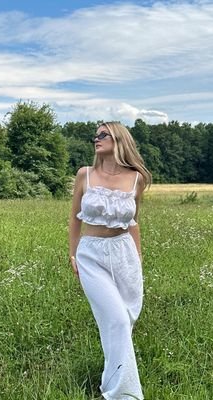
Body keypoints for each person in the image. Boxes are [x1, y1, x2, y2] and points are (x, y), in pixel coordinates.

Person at [68, 121, 152, 400]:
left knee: (124, 319)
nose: (96, 138)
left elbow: (133, 221)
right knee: (115, 318)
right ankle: (124, 394)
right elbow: (74, 218)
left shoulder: (137, 178)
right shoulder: (85, 175)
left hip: (124, 252)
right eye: (96, 135)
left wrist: (138, 258)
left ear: (119, 139)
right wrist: (72, 253)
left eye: (103, 134)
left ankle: (110, 378)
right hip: (91, 254)